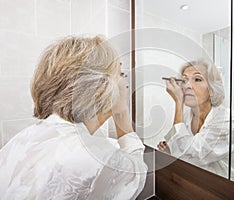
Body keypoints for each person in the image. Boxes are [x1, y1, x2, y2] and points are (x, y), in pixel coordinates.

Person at [0, 35, 147, 199]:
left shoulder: (24, 138)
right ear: (100, 87)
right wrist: (122, 114)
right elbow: (135, 174)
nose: (125, 82)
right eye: (120, 74)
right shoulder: (92, 156)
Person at [157, 58, 234, 189]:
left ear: (212, 89)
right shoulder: (186, 116)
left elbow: (193, 156)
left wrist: (178, 103)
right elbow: (171, 140)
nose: (187, 86)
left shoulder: (231, 121)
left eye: (197, 79)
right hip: (203, 186)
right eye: (184, 80)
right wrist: (170, 149)